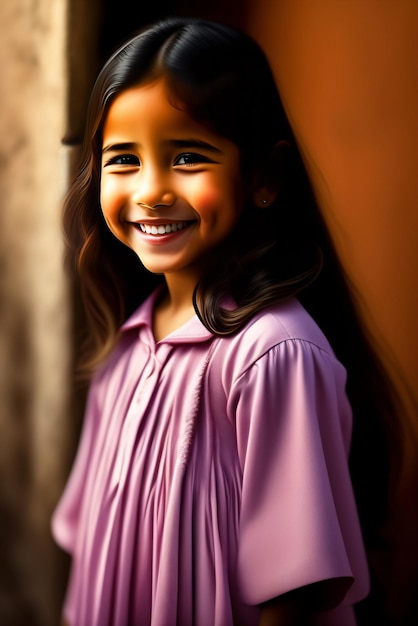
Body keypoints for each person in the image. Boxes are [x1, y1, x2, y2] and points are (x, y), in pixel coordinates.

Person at [52, 16, 401, 626]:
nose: (152, 191)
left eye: (187, 156)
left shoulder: (273, 353)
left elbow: (294, 596)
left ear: (263, 177)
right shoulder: (125, 346)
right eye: (124, 159)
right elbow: (90, 551)